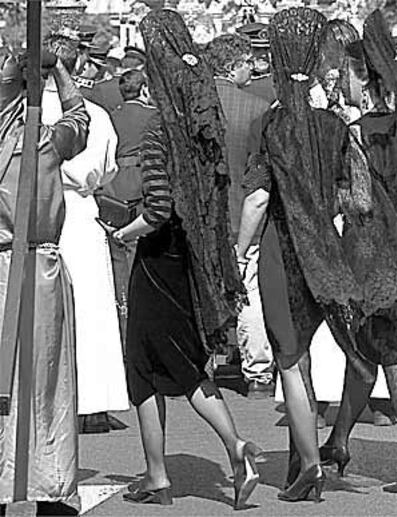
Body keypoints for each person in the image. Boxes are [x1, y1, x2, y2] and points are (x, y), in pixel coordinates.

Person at [102, 9, 260, 509]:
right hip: (194, 257)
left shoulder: (158, 133)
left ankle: (206, 460)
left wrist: (123, 234)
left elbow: (157, 210)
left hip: (157, 259)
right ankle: (176, 468)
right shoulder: (200, 124)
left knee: (154, 366)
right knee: (180, 362)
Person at [237, 6, 363, 501]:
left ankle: (308, 463)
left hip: (279, 247)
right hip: (325, 244)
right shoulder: (334, 126)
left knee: (291, 361)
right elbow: (354, 196)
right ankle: (316, 454)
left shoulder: (272, 123)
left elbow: (258, 196)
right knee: (323, 347)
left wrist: (238, 249)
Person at [317, 11, 397, 493]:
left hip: (374, 253)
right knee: (367, 351)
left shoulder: (362, 132)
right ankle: (339, 439)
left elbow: (353, 198)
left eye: (346, 76)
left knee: (391, 354)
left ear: (362, 76)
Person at [0, 50, 88, 516]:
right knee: (44, 387)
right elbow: (79, 117)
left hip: (15, 267)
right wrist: (58, 71)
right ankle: (50, 484)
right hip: (36, 270)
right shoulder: (43, 141)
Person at [42, 35, 129, 434]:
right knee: (91, 307)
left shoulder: (13, 111)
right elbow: (105, 169)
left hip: (35, 208)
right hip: (76, 206)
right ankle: (91, 401)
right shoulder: (93, 113)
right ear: (76, 66)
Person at [203, 34, 275, 398]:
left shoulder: (192, 105)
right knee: (249, 294)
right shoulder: (257, 109)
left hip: (201, 216)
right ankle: (259, 372)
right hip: (242, 212)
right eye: (249, 61)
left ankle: (201, 362)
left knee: (201, 290)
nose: (254, 67)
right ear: (233, 66)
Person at [98, 68, 157, 346]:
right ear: (144, 89)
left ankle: (121, 324)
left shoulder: (111, 116)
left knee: (117, 264)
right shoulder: (152, 117)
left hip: (113, 193)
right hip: (141, 191)